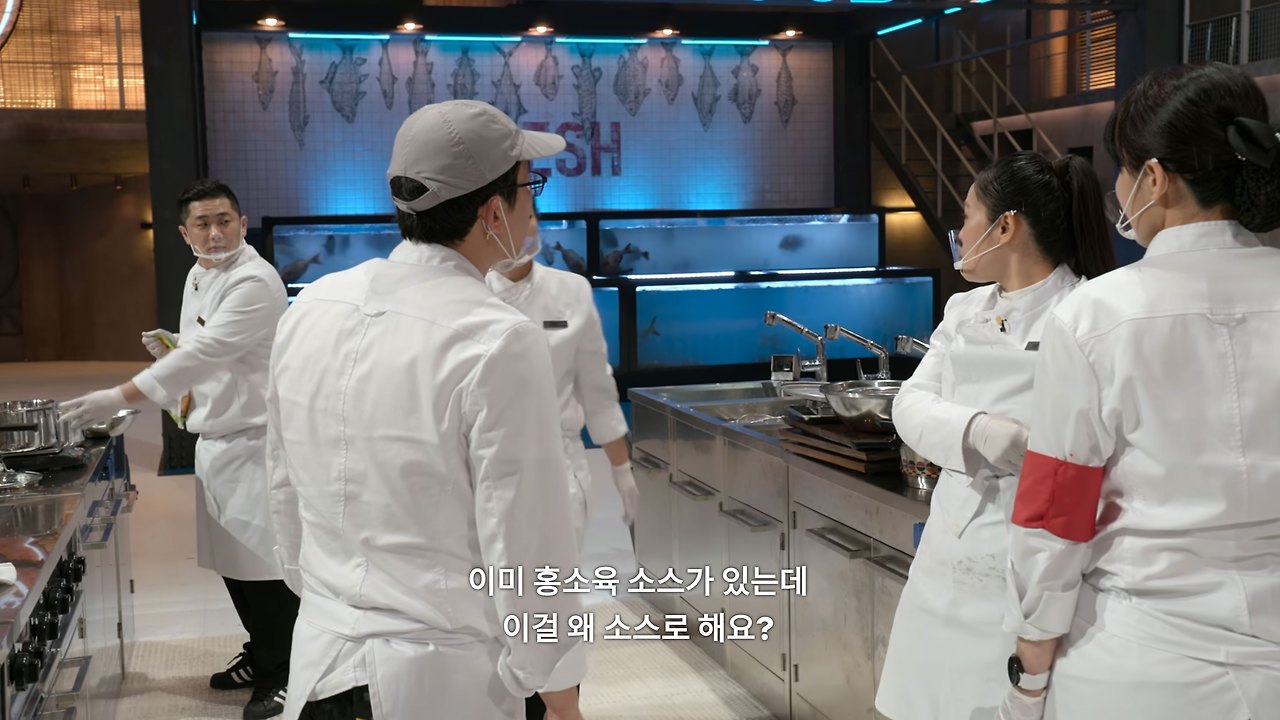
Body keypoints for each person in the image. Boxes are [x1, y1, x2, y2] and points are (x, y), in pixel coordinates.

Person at [265, 100, 587, 720]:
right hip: (442, 682)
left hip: (319, 666)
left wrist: (332, 598)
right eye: (529, 187)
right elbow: (527, 535)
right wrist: (556, 684)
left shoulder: (314, 304)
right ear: (493, 212)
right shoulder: (497, 337)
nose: (533, 204)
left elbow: (282, 484)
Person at [1004, 62, 1280, 720]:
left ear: (1154, 178)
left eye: (1124, 172)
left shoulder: (1095, 314)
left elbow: (1056, 512)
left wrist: (1028, 675)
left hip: (1139, 659)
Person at [874, 151, 1115, 720]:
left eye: (968, 216)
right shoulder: (964, 308)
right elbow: (910, 403)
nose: (961, 233)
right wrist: (978, 430)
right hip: (946, 552)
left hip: (1029, 561)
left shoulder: (1085, 312)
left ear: (1005, 226)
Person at [62, 179, 295, 720]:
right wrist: (174, 345)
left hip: (257, 440)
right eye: (202, 224)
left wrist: (118, 396)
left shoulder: (255, 280)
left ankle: (285, 673)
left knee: (266, 567)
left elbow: (209, 350)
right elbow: (204, 348)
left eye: (224, 221)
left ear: (243, 223)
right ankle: (263, 653)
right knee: (233, 563)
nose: (215, 234)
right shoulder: (198, 274)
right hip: (216, 440)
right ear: (184, 234)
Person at [485, 210, 638, 720]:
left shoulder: (569, 290)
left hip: (558, 468)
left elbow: (597, 389)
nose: (522, 229)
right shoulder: (465, 292)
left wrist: (621, 469)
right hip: (484, 467)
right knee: (493, 605)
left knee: (552, 599)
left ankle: (561, 708)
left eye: (529, 218)